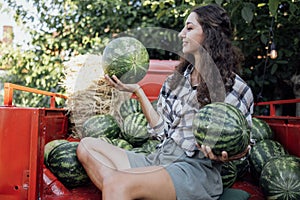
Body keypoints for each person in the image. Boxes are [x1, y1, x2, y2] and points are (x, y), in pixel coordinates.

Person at [76, 4, 254, 200]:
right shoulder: (174, 82)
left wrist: (230, 154)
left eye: (189, 28)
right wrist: (137, 91)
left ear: (210, 33)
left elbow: (244, 146)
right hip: (160, 159)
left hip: (193, 170)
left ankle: (121, 187)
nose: (180, 34)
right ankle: (126, 189)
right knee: (86, 147)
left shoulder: (235, 87)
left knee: (117, 182)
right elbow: (162, 132)